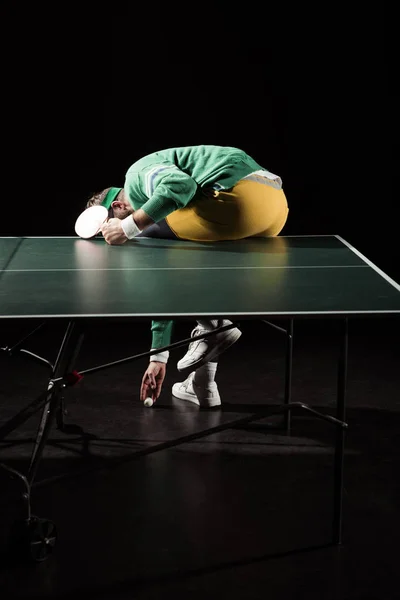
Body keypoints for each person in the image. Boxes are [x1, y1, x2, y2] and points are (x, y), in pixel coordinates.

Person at [83, 145, 289, 407]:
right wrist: (158, 357)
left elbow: (179, 185)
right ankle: (202, 382)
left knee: (146, 237)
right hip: (275, 207)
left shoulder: (135, 175)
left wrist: (126, 227)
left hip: (236, 200)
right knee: (192, 259)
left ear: (118, 205)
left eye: (108, 226)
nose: (109, 234)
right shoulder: (172, 198)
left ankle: (213, 326)